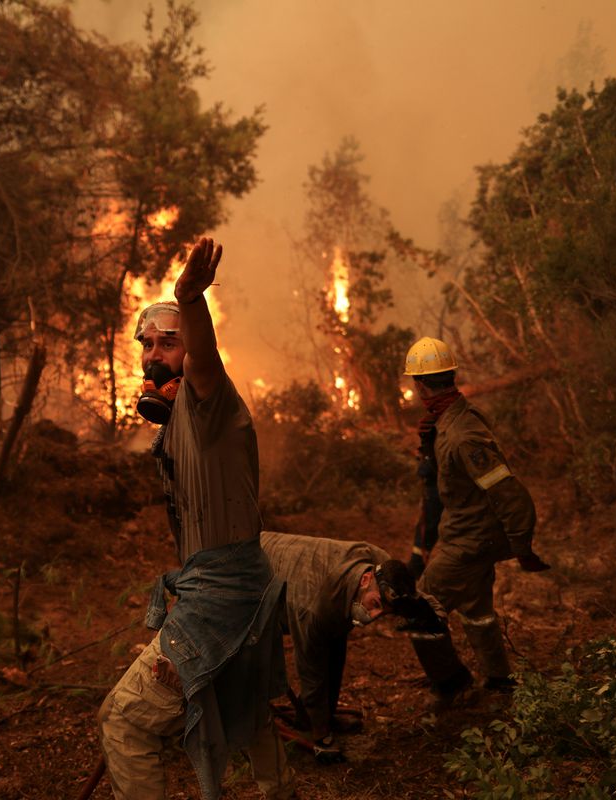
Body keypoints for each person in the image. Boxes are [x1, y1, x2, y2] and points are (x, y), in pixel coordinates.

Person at [97, 238, 295, 800]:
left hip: (224, 597)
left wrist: (191, 300)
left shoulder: (210, 401)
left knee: (125, 723)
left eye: (170, 343)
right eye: (148, 345)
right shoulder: (176, 420)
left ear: (191, 350)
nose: (155, 355)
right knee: (248, 706)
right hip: (231, 587)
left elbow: (205, 361)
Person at [402, 337, 551, 710]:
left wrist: (522, 546)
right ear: (451, 376)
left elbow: (507, 491)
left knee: (421, 611)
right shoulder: (453, 420)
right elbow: (447, 486)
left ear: (420, 386)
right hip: (466, 534)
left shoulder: (463, 435)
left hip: (469, 540)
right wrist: (429, 447)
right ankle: (500, 682)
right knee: (476, 608)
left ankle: (451, 686)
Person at [259, 531, 447, 764]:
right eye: (376, 605)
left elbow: (414, 594)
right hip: (258, 568)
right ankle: (314, 726)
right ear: (365, 580)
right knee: (309, 653)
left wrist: (436, 614)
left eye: (384, 612)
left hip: (311, 575)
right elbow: (311, 670)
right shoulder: (313, 605)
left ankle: (324, 716)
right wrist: (322, 738)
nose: (374, 616)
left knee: (337, 640)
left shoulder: (380, 562)